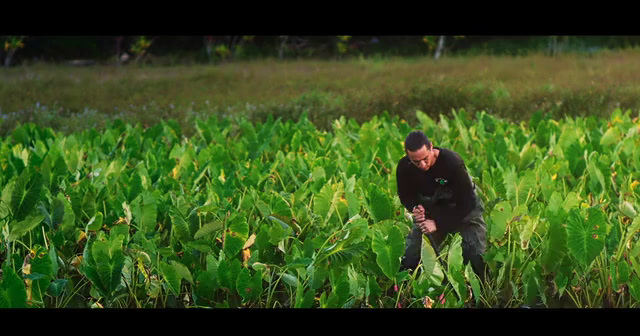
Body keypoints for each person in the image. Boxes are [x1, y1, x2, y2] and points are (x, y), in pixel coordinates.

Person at [396, 130, 488, 282]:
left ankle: (481, 294)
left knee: (475, 256)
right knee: (411, 256)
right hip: (431, 209)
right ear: (408, 155)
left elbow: (468, 203)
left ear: (431, 147)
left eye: (425, 159)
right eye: (416, 162)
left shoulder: (451, 162)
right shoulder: (404, 167)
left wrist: (439, 223)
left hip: (462, 210)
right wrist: (415, 208)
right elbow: (405, 195)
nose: (422, 165)